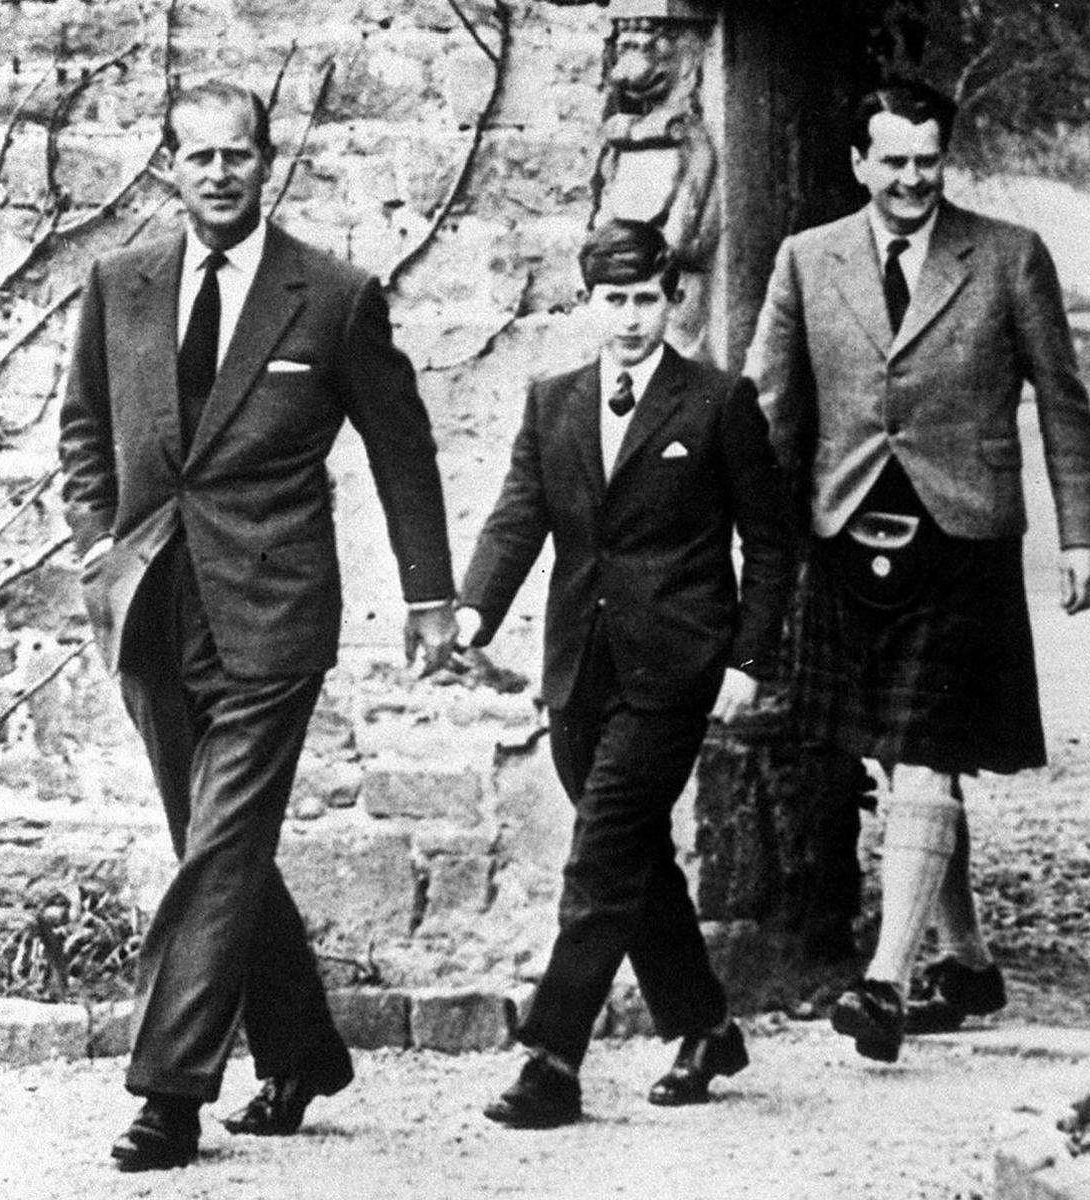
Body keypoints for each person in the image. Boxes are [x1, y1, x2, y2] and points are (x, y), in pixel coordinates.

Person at [58, 80, 457, 1169]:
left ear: (267, 162)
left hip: (274, 610)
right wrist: (99, 545)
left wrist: (429, 595)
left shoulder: (330, 294)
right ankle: (304, 1048)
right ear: (169, 168)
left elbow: (402, 447)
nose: (221, 173)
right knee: (214, 848)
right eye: (200, 157)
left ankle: (168, 1094)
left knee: (224, 842)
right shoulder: (120, 282)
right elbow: (85, 429)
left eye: (240, 155)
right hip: (151, 608)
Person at [744, 79, 1090, 1063]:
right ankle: (968, 958)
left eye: (927, 160)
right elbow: (765, 410)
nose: (911, 179)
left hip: (964, 536)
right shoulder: (805, 261)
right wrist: (749, 542)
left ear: (946, 159)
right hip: (844, 532)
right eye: (892, 161)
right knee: (899, 753)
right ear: (858, 164)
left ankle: (885, 984)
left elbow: (1062, 399)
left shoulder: (1007, 257)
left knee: (926, 744)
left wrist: (1083, 531)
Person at [456, 219, 794, 1127]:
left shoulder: (718, 403)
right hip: (577, 669)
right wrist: (472, 610)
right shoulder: (552, 400)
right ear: (587, 303)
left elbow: (769, 541)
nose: (633, 317)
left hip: (673, 669)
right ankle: (706, 1024)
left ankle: (551, 1059)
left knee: (602, 856)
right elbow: (517, 517)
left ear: (672, 299)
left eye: (648, 298)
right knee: (636, 857)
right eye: (615, 300)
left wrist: (747, 660)